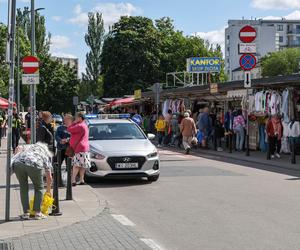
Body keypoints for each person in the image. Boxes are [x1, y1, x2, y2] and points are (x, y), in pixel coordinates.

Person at [11, 142, 53, 220]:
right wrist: (48, 191)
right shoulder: (45, 154)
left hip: (18, 163)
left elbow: (18, 148)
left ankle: (26, 213)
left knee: (23, 188)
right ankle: (37, 213)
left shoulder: (29, 147)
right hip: (34, 164)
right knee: (39, 187)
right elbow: (49, 176)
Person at [67, 112, 90, 186]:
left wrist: (73, 123)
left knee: (76, 165)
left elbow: (69, 129)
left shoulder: (80, 126)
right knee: (82, 165)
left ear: (80, 118)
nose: (75, 119)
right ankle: (81, 179)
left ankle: (73, 180)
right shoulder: (84, 125)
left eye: (76, 117)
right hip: (85, 148)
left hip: (79, 148)